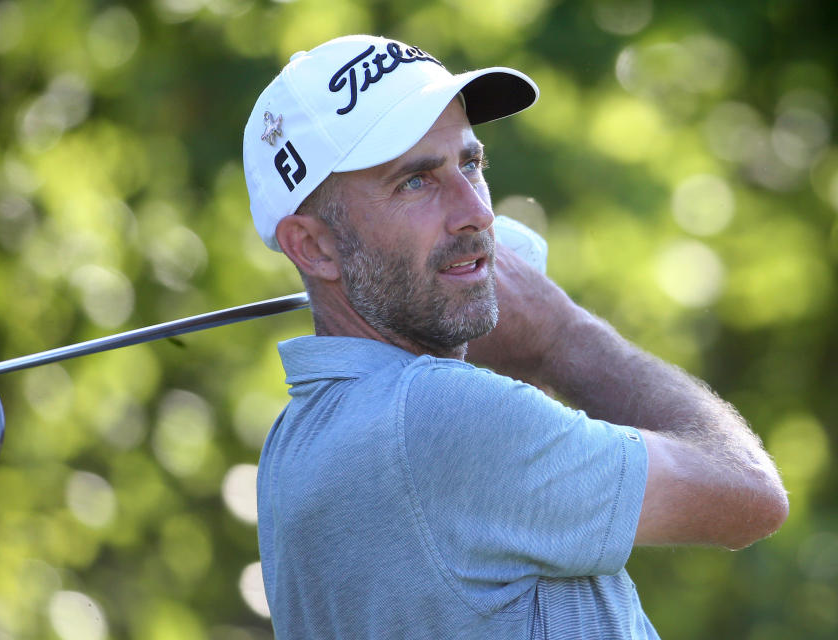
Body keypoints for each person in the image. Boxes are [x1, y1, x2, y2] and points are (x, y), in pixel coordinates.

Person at [242, 35, 788, 639]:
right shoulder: (439, 417)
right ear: (313, 246)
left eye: (470, 164)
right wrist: (560, 334)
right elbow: (750, 496)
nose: (476, 211)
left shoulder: (291, 446)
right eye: (415, 182)